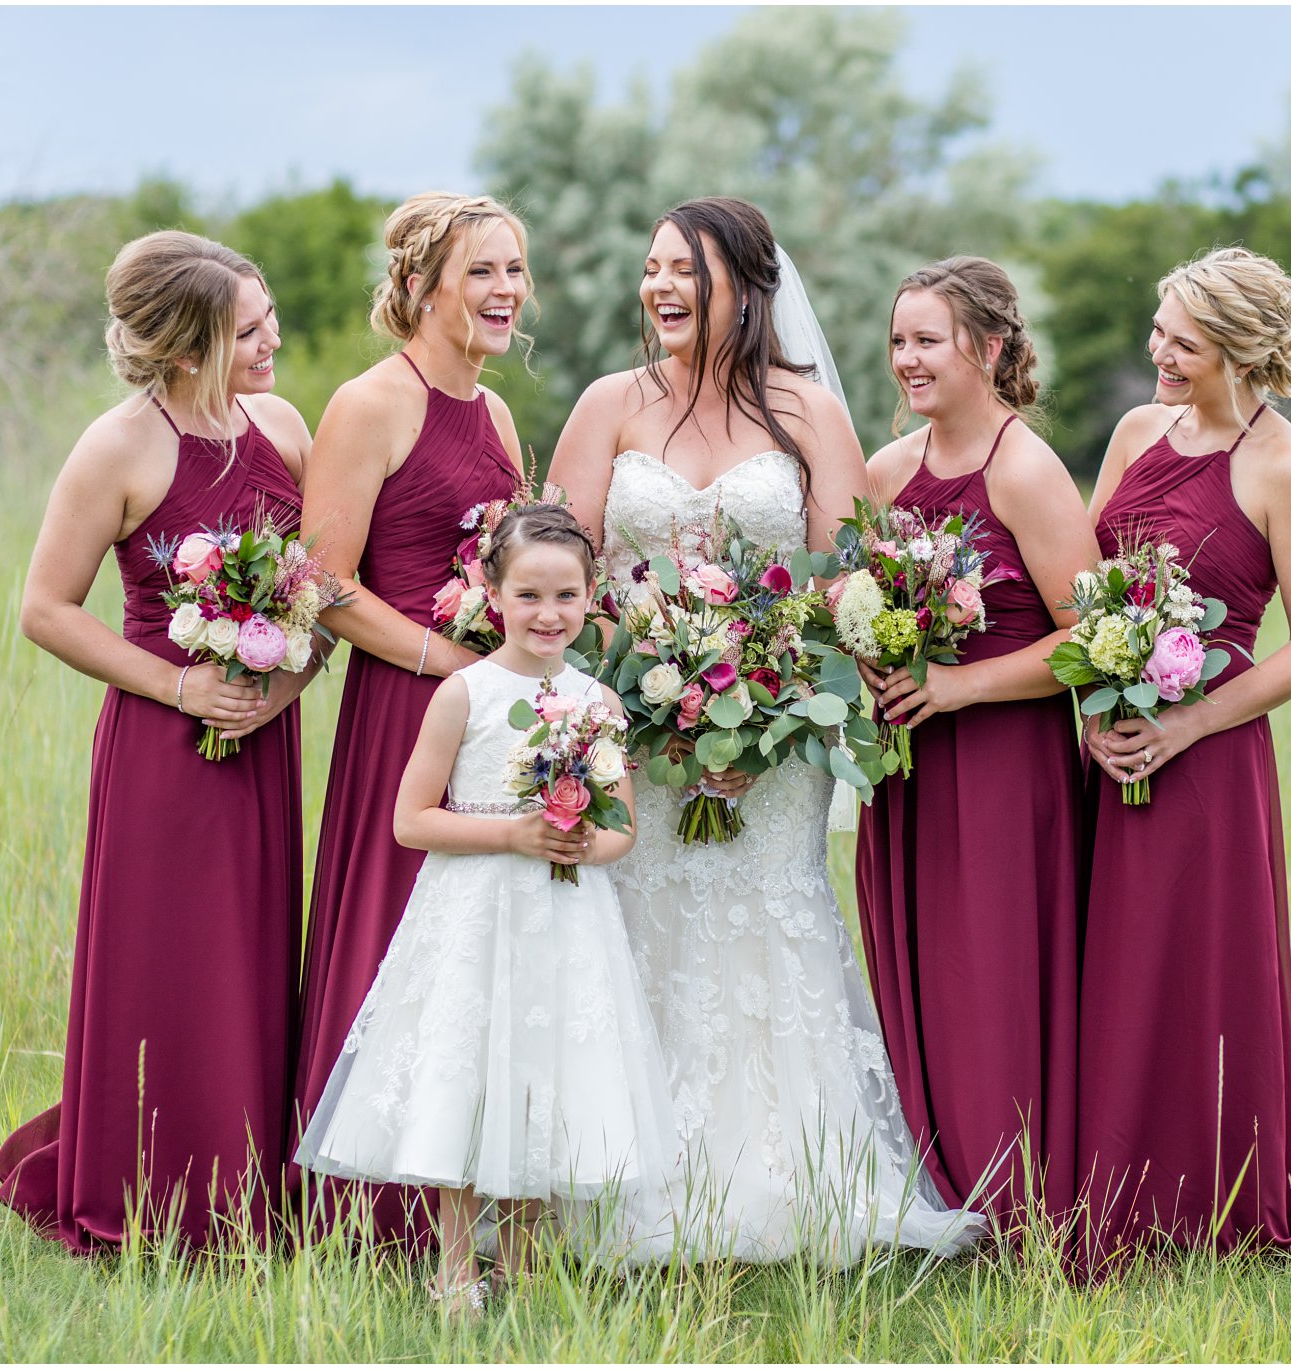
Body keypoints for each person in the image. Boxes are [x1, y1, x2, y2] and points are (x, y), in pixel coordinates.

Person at [548, 196, 981, 1262]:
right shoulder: (609, 404)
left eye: (682, 272)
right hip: (637, 730)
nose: (658, 289)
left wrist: (762, 713)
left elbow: (843, 588)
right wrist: (641, 689)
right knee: (639, 927)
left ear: (742, 287)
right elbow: (558, 564)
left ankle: (782, 1181)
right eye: (649, 269)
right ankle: (621, 1178)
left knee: (761, 926)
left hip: (777, 739)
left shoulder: (808, 414)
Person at [0, 231, 315, 1252]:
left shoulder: (283, 424)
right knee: (169, 960)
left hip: (264, 737)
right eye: (247, 330)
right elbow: (46, 607)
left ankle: (246, 1180)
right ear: (186, 348)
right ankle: (146, 1187)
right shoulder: (119, 446)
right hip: (161, 747)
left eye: (267, 321)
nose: (271, 342)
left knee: (251, 960)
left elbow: (319, 588)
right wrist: (184, 685)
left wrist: (286, 681)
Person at [293, 505, 672, 1313]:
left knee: (542, 1079)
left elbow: (623, 829)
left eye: (567, 596)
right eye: (529, 593)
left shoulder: (598, 700)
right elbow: (410, 820)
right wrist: (515, 832)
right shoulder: (463, 693)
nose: (548, 614)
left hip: (565, 922)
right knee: (468, 1076)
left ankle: (531, 1267)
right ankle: (457, 1268)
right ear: (492, 591)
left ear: (591, 596)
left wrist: (579, 844)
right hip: (475, 913)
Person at [1074, 245, 1291, 1276]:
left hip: (1211, 756)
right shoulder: (1136, 430)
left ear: (1236, 350)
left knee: (1201, 970)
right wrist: (1096, 702)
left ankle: (1220, 1204)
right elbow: (1088, 583)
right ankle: (1114, 1194)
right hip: (1109, 741)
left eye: (1180, 342)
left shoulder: (1285, 468)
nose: (1157, 354)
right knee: (1116, 967)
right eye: (1157, 332)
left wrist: (1185, 726)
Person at [289, 193, 530, 1247]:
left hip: (490, 719)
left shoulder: (498, 413)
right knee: (398, 938)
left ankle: (465, 1192)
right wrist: (449, 662)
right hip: (405, 711)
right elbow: (319, 584)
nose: (504, 292)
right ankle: (365, 1202)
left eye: (515, 271)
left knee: (482, 947)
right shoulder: (370, 402)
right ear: (424, 286)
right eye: (482, 271)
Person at [854, 256, 1098, 1238]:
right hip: (905, 768)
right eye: (897, 341)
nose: (906, 360)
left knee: (993, 971)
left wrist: (957, 684)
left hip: (1006, 764)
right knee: (916, 964)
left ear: (988, 349)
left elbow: (1088, 637)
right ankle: (940, 1186)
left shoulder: (1024, 468)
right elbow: (854, 605)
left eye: (927, 340)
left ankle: (1018, 1197)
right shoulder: (883, 471)